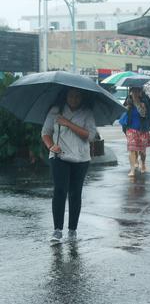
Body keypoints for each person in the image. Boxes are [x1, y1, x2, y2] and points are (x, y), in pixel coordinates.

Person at [41, 87, 97, 243]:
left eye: (77, 96)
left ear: (82, 97)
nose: (74, 99)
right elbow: (45, 132)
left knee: (75, 193)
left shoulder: (87, 113)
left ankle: (72, 230)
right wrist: (51, 146)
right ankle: (57, 230)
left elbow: (90, 136)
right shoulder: (56, 110)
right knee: (60, 190)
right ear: (65, 96)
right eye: (71, 96)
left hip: (81, 158)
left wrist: (67, 123)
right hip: (59, 156)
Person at [123, 87, 150, 177]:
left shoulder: (144, 101)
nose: (135, 93)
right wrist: (127, 108)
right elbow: (123, 112)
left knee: (142, 151)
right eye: (133, 91)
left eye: (137, 91)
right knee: (132, 149)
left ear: (140, 92)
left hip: (142, 129)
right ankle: (132, 169)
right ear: (130, 92)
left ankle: (143, 164)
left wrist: (140, 105)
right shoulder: (128, 101)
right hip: (131, 128)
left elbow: (146, 115)